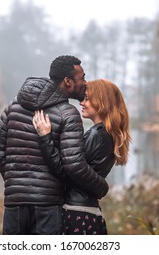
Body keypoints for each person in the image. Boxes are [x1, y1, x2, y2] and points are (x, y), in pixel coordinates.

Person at [0, 55, 109, 235]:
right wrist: (102, 186)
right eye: (82, 78)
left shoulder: (13, 106)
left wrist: (16, 179)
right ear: (68, 81)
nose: (85, 83)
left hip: (14, 202)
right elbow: (72, 166)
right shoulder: (68, 114)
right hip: (47, 206)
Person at [32, 79, 131, 235]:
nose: (82, 103)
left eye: (87, 98)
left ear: (102, 102)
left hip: (77, 213)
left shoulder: (96, 135)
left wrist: (45, 137)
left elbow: (67, 170)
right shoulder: (106, 134)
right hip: (87, 211)